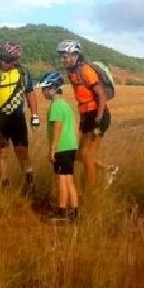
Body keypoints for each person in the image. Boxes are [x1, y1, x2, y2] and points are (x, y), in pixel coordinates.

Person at [0, 41, 40, 193]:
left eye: (8, 60)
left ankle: (30, 183)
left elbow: (30, 93)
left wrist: (35, 115)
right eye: (2, 58)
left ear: (15, 61)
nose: (3, 62)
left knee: (22, 151)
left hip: (17, 117)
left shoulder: (23, 73)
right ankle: (4, 187)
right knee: (1, 152)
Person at [55, 40, 118, 189]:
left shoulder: (86, 70)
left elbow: (101, 95)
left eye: (66, 56)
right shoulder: (71, 72)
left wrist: (98, 120)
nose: (63, 59)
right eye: (62, 56)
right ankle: (108, 169)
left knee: (87, 156)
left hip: (98, 114)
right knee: (79, 155)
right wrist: (83, 120)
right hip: (86, 115)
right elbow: (81, 97)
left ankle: (92, 191)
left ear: (75, 55)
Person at [36, 72, 79, 223]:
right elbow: (74, 126)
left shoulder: (55, 106)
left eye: (45, 89)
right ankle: (74, 213)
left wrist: (52, 149)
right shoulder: (66, 105)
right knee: (69, 180)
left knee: (60, 180)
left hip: (61, 147)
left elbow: (57, 128)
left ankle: (61, 213)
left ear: (53, 88)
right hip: (71, 146)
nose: (43, 92)